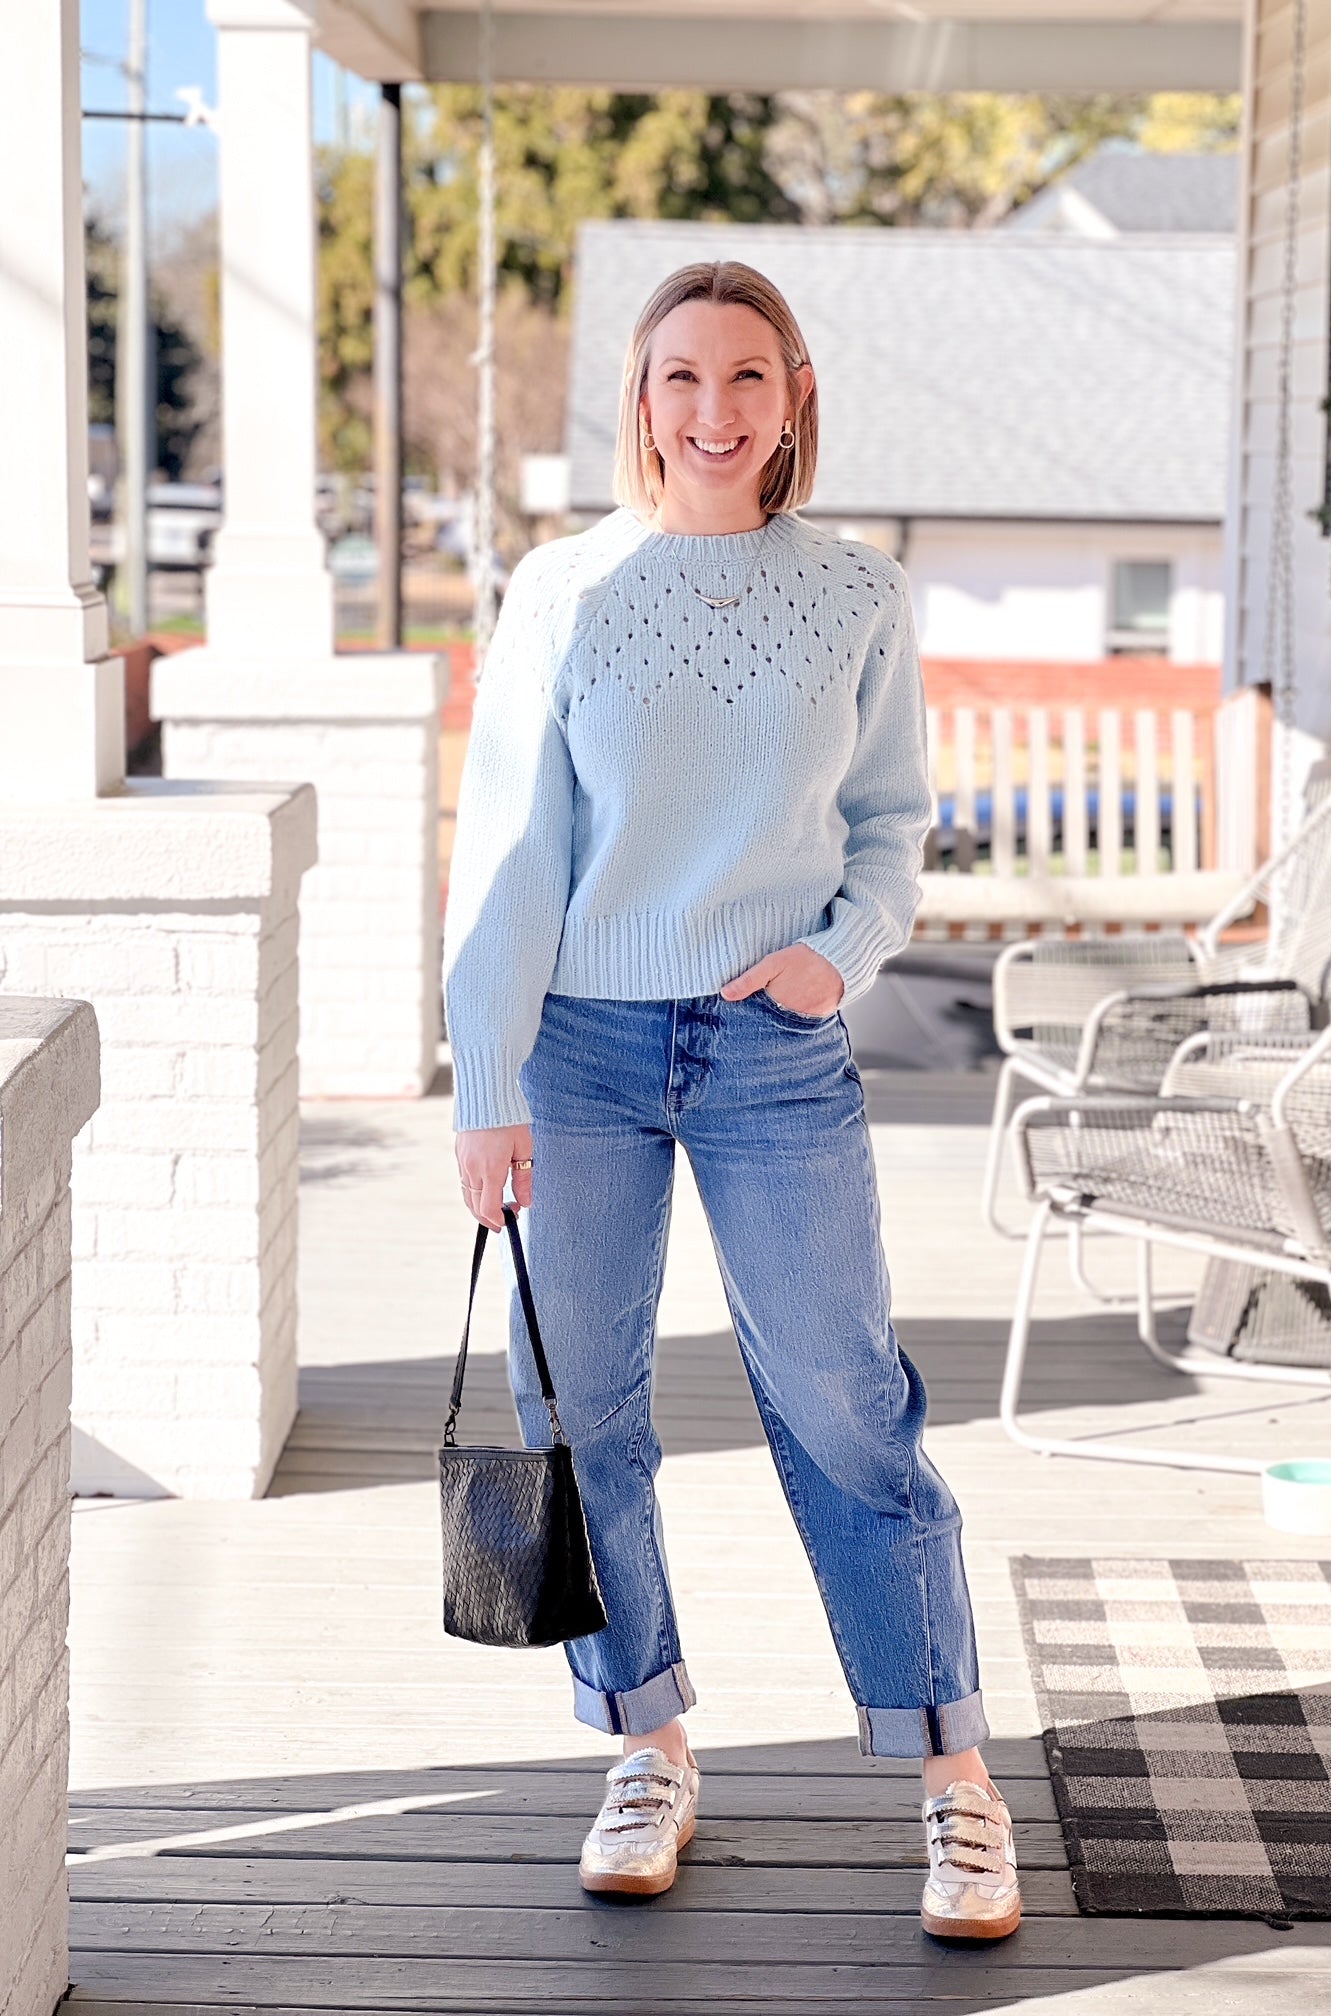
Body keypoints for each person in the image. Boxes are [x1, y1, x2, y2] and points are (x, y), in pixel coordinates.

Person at [443, 260, 1018, 1941]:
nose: (713, 409)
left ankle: (952, 1779)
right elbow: (507, 855)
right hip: (578, 1055)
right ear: (641, 398)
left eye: (746, 376)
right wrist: (488, 1087)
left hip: (772, 1049)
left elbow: (893, 827)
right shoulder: (564, 586)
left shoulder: (856, 595)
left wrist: (844, 952)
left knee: (848, 1403)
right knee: (579, 1407)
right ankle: (646, 1743)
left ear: (794, 396)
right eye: (680, 376)